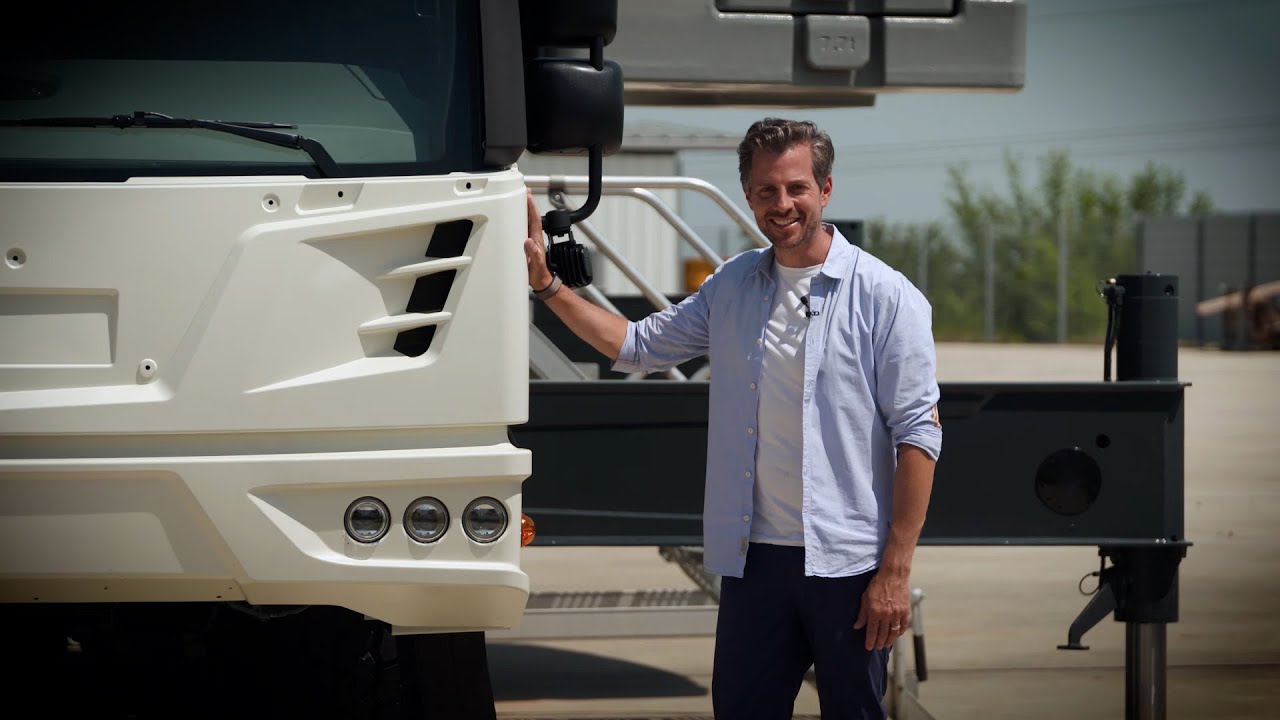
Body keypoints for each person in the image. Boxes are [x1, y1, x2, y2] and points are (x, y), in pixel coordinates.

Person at [523, 118, 942, 720]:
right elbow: (638, 346)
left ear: (825, 190)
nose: (782, 204)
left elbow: (919, 437)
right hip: (755, 563)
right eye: (766, 190)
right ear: (747, 194)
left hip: (847, 564)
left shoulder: (886, 296)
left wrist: (895, 571)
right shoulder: (733, 285)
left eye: (797, 188)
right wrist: (548, 287)